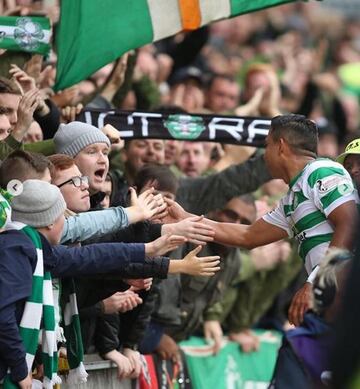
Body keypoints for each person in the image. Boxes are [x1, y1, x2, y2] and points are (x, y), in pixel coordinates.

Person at [165, 114, 358, 326]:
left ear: (281, 147)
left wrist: (316, 282)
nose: (265, 155)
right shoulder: (293, 198)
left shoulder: (321, 171)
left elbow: (349, 225)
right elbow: (248, 235)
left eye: (267, 145)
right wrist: (185, 219)